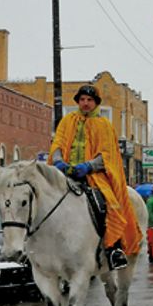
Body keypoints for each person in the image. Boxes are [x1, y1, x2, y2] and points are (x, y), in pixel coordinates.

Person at [49, 84, 141, 270]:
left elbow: (107, 155)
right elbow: (57, 143)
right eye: (82, 100)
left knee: (108, 205)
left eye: (89, 100)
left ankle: (113, 248)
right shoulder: (67, 121)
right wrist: (59, 161)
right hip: (65, 174)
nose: (85, 103)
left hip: (94, 176)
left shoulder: (104, 125)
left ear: (96, 103)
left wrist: (88, 166)